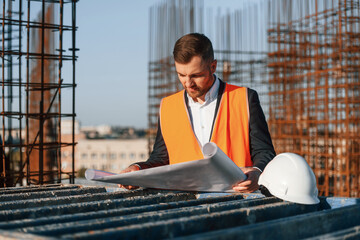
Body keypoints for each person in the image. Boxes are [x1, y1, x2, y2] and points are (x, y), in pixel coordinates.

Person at [120, 33, 275, 193]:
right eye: (181, 75)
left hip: (237, 202)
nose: (188, 83)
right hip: (184, 205)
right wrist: (138, 170)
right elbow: (161, 159)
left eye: (196, 75)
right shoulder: (168, 107)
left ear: (213, 67)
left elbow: (264, 152)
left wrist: (256, 172)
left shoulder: (245, 98)